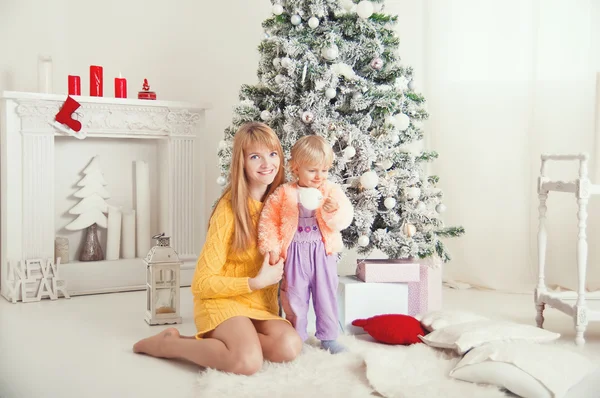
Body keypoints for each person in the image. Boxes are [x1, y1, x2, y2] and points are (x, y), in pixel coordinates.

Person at [133, 122, 302, 375]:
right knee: (247, 362)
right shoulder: (229, 208)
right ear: (241, 163)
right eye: (255, 156)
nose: (267, 163)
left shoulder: (280, 203)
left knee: (289, 346)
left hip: (257, 305)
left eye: (273, 154)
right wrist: (255, 283)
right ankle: (170, 345)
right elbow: (201, 283)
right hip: (221, 300)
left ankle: (241, 341)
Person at [258, 135, 354, 354]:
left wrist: (333, 211)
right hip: (294, 254)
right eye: (312, 170)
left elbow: (345, 218)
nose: (319, 176)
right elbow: (269, 220)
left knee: (326, 295)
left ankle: (329, 337)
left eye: (324, 170)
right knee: (294, 296)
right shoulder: (284, 193)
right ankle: (296, 337)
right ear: (296, 168)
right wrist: (271, 248)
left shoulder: (331, 191)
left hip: (322, 252)